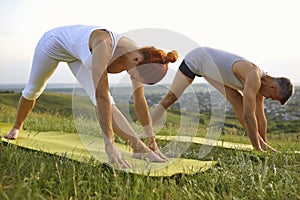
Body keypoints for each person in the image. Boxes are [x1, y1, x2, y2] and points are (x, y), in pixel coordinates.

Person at [4, 25, 178, 168]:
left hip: (80, 56)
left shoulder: (142, 58)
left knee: (111, 103)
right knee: (34, 89)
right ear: (136, 60)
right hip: (53, 44)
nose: (133, 80)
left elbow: (140, 101)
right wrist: (109, 145)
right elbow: (101, 96)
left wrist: (152, 140)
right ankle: (17, 127)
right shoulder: (104, 45)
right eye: (135, 77)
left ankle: (139, 149)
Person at [151, 47, 293, 152]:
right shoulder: (253, 75)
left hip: (212, 71)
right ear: (273, 87)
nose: (268, 98)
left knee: (237, 99)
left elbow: (260, 119)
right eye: (272, 97)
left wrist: (265, 147)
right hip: (197, 59)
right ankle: (146, 131)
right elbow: (249, 116)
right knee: (170, 98)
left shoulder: (260, 88)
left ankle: (262, 146)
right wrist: (257, 148)